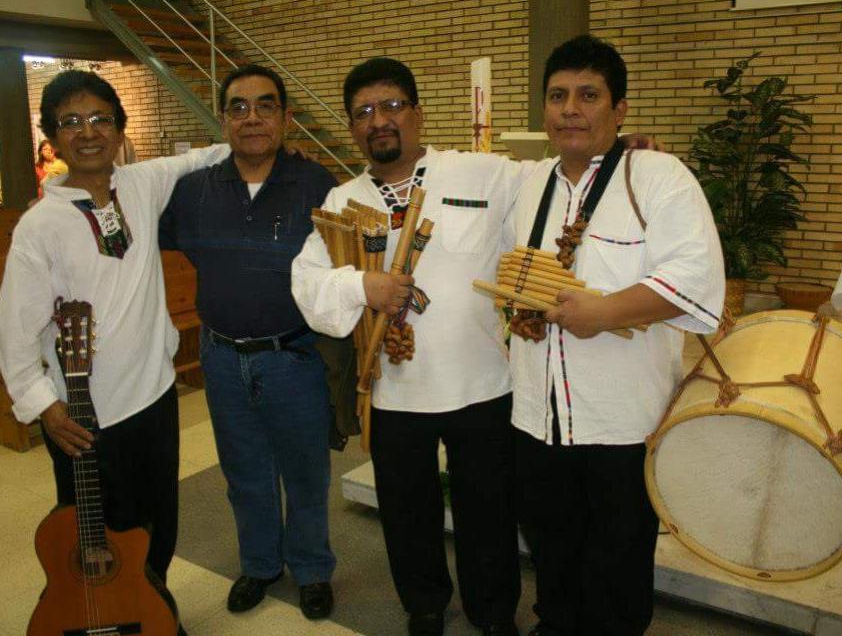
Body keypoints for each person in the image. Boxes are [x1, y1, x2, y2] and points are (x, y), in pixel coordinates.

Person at [293, 55, 539, 636]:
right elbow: (306, 284)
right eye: (364, 112)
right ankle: (424, 604)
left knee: (487, 509)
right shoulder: (340, 205)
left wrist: (616, 151)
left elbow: (558, 179)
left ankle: (492, 611)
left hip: (482, 381)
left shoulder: (482, 173)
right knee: (407, 511)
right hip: (395, 388)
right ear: (353, 127)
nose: (380, 120)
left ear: (418, 114)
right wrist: (362, 285)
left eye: (392, 106)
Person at [0, 70, 231, 635]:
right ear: (51, 137)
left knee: (159, 526)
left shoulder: (141, 183)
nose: (88, 132)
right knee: (96, 538)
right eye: (71, 122)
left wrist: (258, 143)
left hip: (153, 397)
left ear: (120, 129)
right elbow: (16, 331)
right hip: (84, 415)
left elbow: (202, 157)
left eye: (101, 118)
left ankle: (147, 607)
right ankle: (108, 613)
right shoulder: (41, 225)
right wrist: (44, 408)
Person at [508, 35, 725, 636]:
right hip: (537, 411)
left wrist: (604, 313)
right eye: (557, 96)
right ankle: (556, 622)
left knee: (619, 551)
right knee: (550, 539)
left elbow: (695, 277)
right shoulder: (530, 184)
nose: (569, 108)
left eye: (588, 95)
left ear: (620, 109)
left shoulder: (658, 176)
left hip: (622, 419)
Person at [159, 64, 337, 620]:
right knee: (245, 473)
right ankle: (261, 564)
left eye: (265, 106)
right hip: (221, 357)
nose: (252, 118)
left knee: (305, 472)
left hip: (295, 357)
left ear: (285, 118)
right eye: (239, 107)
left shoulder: (318, 186)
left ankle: (310, 569)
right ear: (224, 118)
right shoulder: (193, 192)